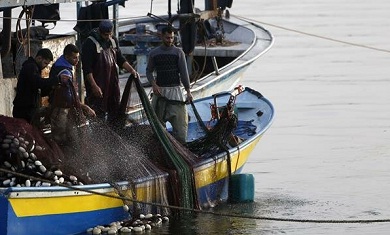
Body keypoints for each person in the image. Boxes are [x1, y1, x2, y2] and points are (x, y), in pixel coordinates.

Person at [81, 19, 138, 122]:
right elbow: (87, 69)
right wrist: (94, 86)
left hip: (112, 85)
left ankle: (115, 134)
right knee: (98, 113)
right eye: (105, 35)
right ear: (99, 31)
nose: (107, 37)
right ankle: (98, 136)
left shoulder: (113, 40)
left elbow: (120, 59)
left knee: (115, 109)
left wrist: (132, 70)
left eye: (109, 34)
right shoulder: (89, 43)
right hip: (98, 86)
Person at [146, 26, 193, 144]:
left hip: (175, 92)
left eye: (172, 38)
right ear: (161, 36)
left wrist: (188, 92)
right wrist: (153, 84)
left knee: (181, 126)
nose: (170, 40)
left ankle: (181, 148)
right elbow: (148, 71)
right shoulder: (154, 53)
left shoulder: (178, 53)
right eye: (167, 38)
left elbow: (184, 73)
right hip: (160, 92)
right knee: (158, 125)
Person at [49, 44, 96, 143]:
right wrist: (84, 107)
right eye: (74, 58)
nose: (77, 60)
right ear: (66, 57)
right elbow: (69, 96)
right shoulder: (64, 72)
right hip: (61, 109)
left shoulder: (61, 64)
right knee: (60, 138)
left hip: (63, 108)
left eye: (78, 57)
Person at [13, 48, 57, 123]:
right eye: (45, 63)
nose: (46, 67)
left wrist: (51, 88)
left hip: (30, 110)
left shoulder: (35, 68)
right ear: (39, 58)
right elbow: (38, 82)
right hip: (24, 110)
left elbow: (39, 90)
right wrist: (54, 80)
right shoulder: (30, 67)